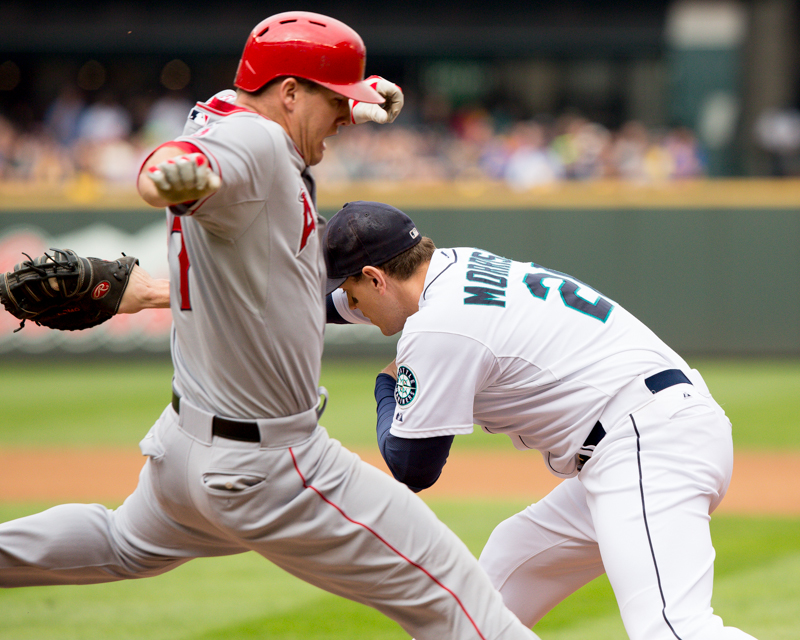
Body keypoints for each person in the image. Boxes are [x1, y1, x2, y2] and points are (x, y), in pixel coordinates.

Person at [0, 13, 540, 640]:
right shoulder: (252, 146)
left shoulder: (227, 114)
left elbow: (237, 174)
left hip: (184, 449)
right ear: (288, 93)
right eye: (336, 102)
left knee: (122, 542)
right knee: (458, 596)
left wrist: (359, 103)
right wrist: (169, 175)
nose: (344, 117)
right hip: (268, 465)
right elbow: (175, 166)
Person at [323, 200, 759, 640]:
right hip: (648, 428)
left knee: (671, 629)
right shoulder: (456, 264)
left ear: (376, 278)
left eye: (355, 292)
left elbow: (412, 466)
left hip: (647, 441)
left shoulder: (439, 326)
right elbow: (338, 303)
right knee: (487, 597)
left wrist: (385, 384)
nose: (355, 306)